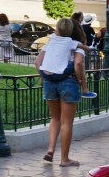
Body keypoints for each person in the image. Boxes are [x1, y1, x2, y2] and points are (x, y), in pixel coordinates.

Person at [35, 17, 88, 167]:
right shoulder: (77, 46)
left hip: (49, 81)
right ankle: (64, 159)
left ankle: (50, 149)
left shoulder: (51, 43)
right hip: (68, 83)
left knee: (55, 118)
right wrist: (81, 82)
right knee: (67, 122)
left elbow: (37, 62)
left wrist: (43, 78)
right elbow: (78, 63)